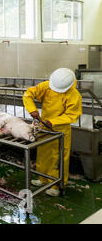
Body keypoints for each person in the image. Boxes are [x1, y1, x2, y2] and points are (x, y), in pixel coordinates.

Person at [23, 68, 82, 197]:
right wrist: (32, 109)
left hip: (60, 129)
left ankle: (56, 184)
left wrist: (53, 121)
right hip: (45, 127)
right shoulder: (47, 86)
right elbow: (28, 94)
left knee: (57, 158)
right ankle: (42, 178)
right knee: (43, 153)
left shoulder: (74, 95)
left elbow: (72, 115)